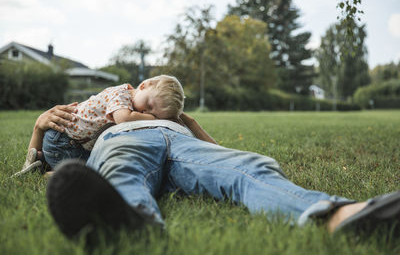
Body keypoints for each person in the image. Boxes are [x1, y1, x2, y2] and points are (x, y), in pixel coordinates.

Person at [33, 104, 400, 240]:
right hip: (124, 143)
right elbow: (37, 165)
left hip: (182, 144)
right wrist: (39, 128)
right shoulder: (105, 116)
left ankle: (340, 215)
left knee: (247, 167)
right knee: (120, 175)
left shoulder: (173, 118)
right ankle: (133, 228)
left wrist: (187, 122)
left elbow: (220, 153)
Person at [13, 75, 186, 177]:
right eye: (148, 105)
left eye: (154, 113)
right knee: (94, 173)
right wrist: (153, 118)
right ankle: (50, 173)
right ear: (143, 86)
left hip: (66, 140)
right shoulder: (122, 95)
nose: (146, 112)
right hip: (65, 142)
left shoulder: (130, 100)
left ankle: (41, 160)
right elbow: (123, 119)